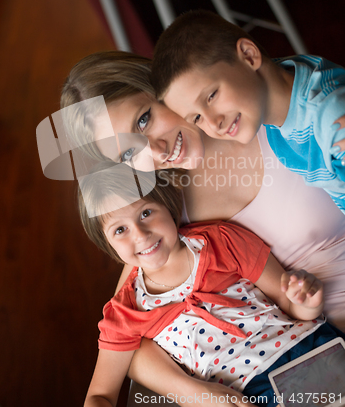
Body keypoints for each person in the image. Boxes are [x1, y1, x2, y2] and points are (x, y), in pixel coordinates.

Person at [60, 51, 345, 331]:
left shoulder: (253, 101)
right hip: (314, 347)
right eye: (128, 153)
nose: (158, 150)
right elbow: (123, 329)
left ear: (160, 87)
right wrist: (194, 382)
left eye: (144, 119)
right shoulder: (162, 212)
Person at [77, 164, 343, 407]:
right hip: (247, 394)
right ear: (107, 244)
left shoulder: (220, 240)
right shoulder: (125, 312)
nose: (140, 234)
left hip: (311, 347)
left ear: (168, 206)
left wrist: (307, 302)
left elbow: (291, 308)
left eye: (146, 213)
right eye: (120, 230)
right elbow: (100, 395)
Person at [151, 10, 345, 214]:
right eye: (197, 118)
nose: (213, 122)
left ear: (249, 56)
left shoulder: (331, 120)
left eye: (211, 96)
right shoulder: (282, 89)